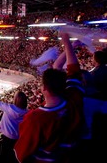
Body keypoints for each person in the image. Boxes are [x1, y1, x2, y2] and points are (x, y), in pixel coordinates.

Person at [14, 31, 85, 163]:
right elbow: (73, 70)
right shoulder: (73, 98)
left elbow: (21, 155)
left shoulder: (35, 118)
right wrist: (69, 44)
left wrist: (68, 42)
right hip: (72, 156)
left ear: (44, 88)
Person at [0, 89, 28, 163]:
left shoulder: (9, 108)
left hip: (7, 138)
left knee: (5, 156)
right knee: (13, 155)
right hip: (18, 138)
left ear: (16, 99)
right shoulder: (27, 112)